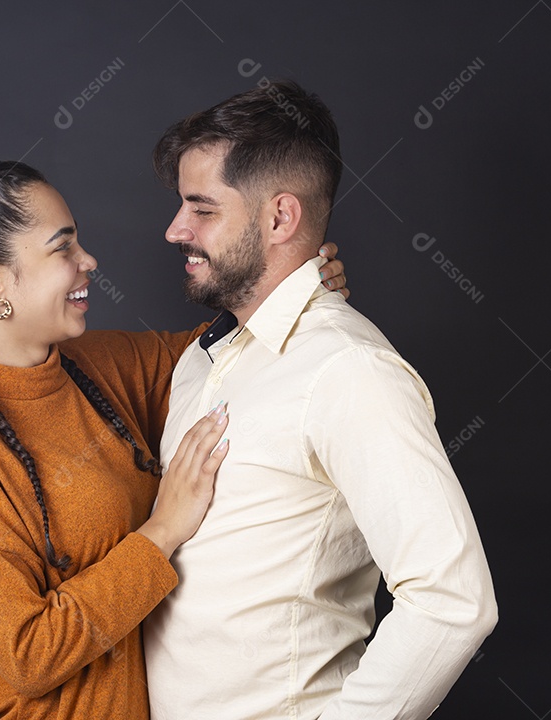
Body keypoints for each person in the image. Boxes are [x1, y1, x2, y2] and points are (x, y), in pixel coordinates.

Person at [0, 160, 347, 719]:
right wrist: (162, 530)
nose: (87, 261)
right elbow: (28, 654)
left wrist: (295, 287)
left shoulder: (92, 368)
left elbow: (222, 349)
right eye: (61, 248)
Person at [142, 80, 498, 720]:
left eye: (202, 208)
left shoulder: (349, 371)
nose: (175, 230)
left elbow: (453, 601)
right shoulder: (200, 361)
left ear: (280, 217)